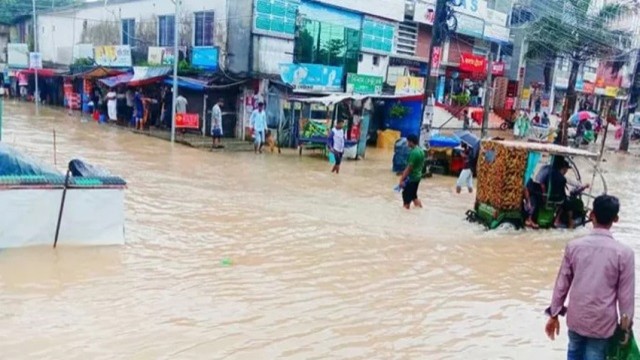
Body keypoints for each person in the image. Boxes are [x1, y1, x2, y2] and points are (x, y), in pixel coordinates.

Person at [545, 195, 634, 360]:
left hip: (576, 317)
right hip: (603, 323)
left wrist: (554, 313)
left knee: (574, 352)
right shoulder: (624, 254)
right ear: (616, 219)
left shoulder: (574, 247)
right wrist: (625, 328)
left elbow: (562, 284)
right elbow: (626, 297)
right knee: (595, 355)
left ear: (592, 215)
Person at [399, 134, 425, 210]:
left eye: (407, 142)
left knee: (406, 199)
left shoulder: (414, 153)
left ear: (411, 142)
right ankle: (420, 210)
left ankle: (405, 217)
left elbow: (409, 168)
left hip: (412, 178)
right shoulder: (421, 151)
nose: (407, 143)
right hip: (417, 177)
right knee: (413, 196)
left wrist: (401, 179)